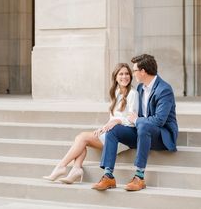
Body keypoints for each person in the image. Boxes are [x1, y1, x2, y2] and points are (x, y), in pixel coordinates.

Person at [92, 53, 178, 191]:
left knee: (143, 124)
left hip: (161, 136)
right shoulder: (140, 88)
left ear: (143, 72)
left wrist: (138, 120)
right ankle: (108, 176)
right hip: (141, 133)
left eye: (134, 70)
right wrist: (116, 121)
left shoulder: (164, 90)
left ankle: (139, 177)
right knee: (113, 129)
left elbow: (159, 121)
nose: (133, 74)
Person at [43, 63, 138, 184]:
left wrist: (117, 121)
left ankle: (62, 167)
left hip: (121, 137)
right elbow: (112, 119)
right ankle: (76, 169)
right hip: (110, 132)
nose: (124, 77)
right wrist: (103, 128)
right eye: (121, 74)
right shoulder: (115, 93)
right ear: (115, 77)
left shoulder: (133, 94)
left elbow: (132, 119)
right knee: (80, 139)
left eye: (127, 74)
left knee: (82, 138)